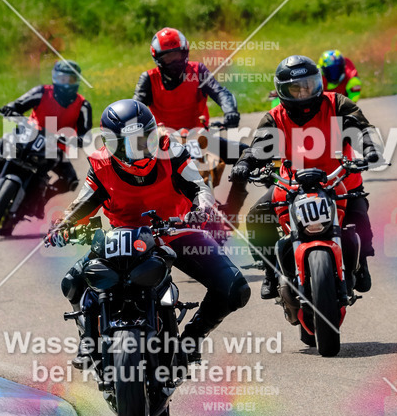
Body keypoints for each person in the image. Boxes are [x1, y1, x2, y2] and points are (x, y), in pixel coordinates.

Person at [45, 99, 251, 363]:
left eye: (146, 140)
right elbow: (81, 205)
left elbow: (199, 188)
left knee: (235, 288)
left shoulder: (171, 151)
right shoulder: (100, 166)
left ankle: (191, 340)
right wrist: (62, 225)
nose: (140, 150)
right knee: (72, 283)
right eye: (130, 144)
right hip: (123, 239)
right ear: (112, 144)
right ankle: (88, 340)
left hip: (176, 231)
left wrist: (202, 208)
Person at [228, 55, 382, 300]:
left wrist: (370, 148)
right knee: (257, 216)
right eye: (295, 89)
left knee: (359, 213)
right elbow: (259, 146)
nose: (303, 93)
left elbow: (361, 127)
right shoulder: (274, 117)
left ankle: (360, 262)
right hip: (292, 184)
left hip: (338, 179)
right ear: (282, 91)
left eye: (308, 85)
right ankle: (271, 270)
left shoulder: (337, 103)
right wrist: (245, 163)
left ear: (318, 83)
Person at [134, 27, 248, 217]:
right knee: (136, 168)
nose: (174, 61)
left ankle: (232, 212)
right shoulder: (148, 79)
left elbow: (220, 92)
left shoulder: (198, 71)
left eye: (177, 55)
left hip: (200, 138)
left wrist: (230, 111)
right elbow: (136, 109)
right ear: (158, 59)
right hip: (164, 144)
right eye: (168, 57)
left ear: (185, 52)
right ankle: (145, 217)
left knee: (248, 155)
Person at [0, 60, 91, 197]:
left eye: (71, 80)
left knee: (71, 181)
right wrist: (9, 109)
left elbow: (85, 135)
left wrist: (78, 140)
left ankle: (41, 199)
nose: (66, 84)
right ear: (55, 78)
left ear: (77, 81)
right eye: (62, 79)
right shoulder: (41, 92)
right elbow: (17, 105)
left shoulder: (83, 106)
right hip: (28, 136)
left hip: (55, 149)